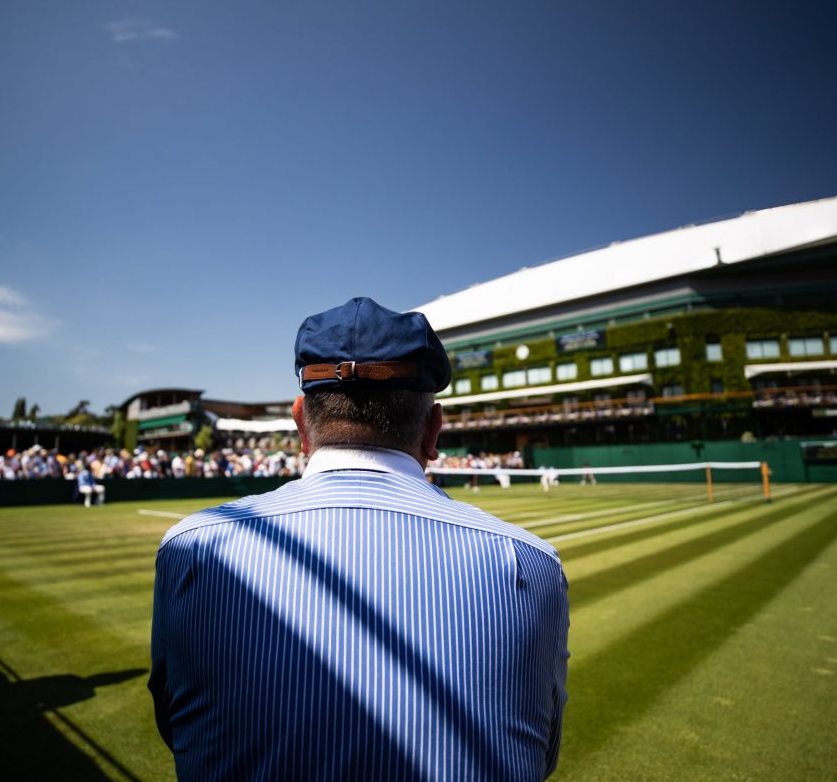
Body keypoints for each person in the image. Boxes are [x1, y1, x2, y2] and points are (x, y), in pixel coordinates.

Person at [149, 297, 569, 781]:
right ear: (434, 431)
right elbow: (541, 755)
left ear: (300, 423)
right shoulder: (531, 563)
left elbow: (177, 725)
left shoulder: (189, 548)